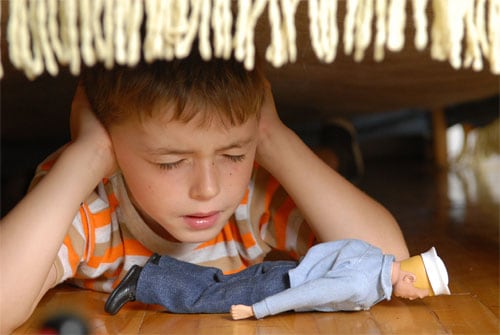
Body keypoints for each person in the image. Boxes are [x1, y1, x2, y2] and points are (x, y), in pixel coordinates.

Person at [0, 49, 409, 333]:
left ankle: (334, 153)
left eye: (234, 154)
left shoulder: (253, 196)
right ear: (108, 146)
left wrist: (274, 139)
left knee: (317, 169)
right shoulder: (90, 202)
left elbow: (388, 264)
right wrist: (85, 156)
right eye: (170, 162)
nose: (209, 190)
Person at [103, 239, 449, 317]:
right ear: (408, 279)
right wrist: (259, 310)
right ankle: (143, 283)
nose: (417, 298)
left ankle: (160, 265)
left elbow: (331, 249)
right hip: (281, 286)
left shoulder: (374, 256)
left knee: (221, 281)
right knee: (206, 299)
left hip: (286, 269)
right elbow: (309, 294)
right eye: (421, 292)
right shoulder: (360, 283)